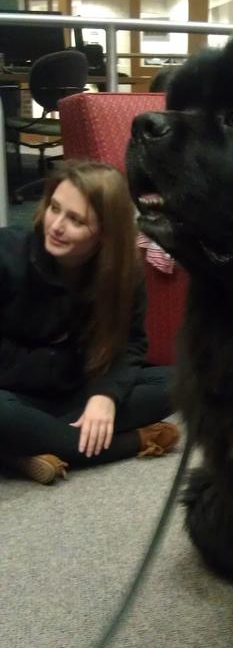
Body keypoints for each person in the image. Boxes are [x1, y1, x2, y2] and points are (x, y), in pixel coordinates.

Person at [0, 160, 180, 485]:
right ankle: (131, 440)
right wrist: (55, 369)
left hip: (75, 391)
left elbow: (131, 345)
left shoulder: (124, 274)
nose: (56, 225)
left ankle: (25, 444)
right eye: (54, 208)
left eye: (76, 220)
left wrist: (105, 396)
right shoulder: (7, 252)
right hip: (11, 390)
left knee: (181, 381)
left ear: (105, 233)